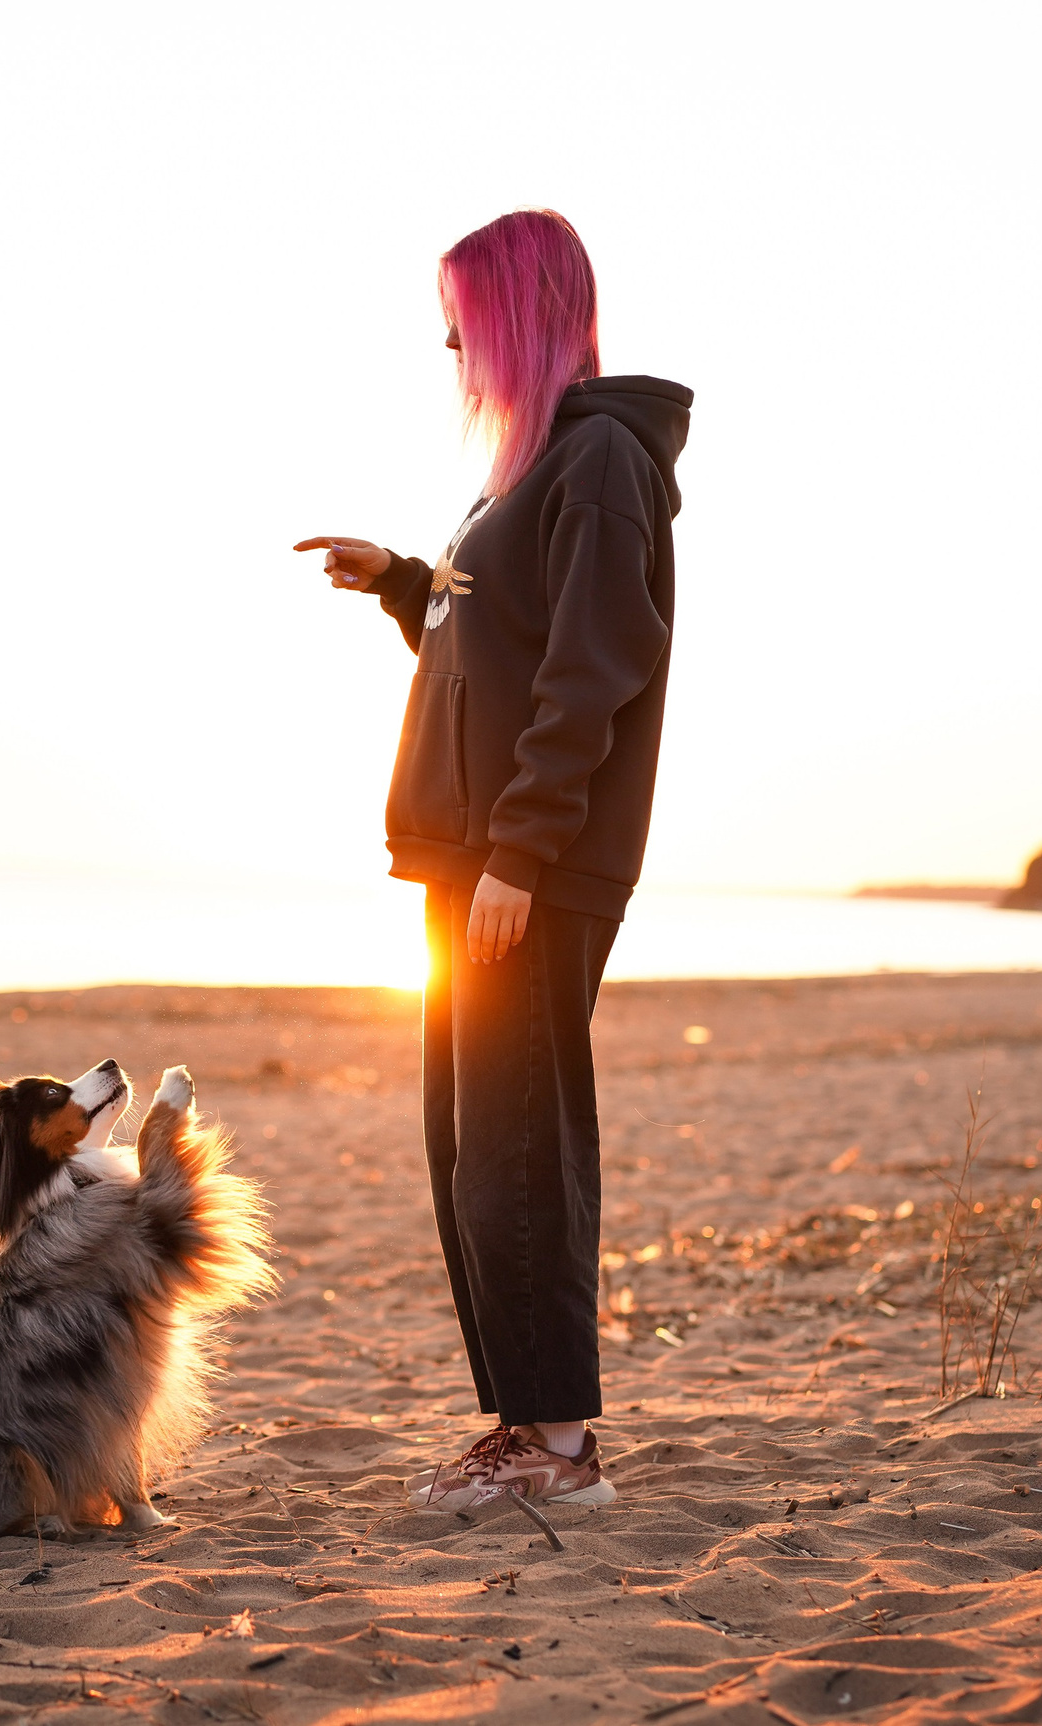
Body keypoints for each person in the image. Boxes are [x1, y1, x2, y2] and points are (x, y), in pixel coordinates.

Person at [294, 209, 691, 1511]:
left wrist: (522, 851)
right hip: (473, 862)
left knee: (521, 1147)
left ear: (520, 313)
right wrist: (405, 585)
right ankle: (525, 1422)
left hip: (529, 867)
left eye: (465, 316)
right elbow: (497, 655)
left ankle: (563, 1449)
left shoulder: (603, 461)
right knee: (473, 1154)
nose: (451, 340)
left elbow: (589, 669)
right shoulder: (525, 472)